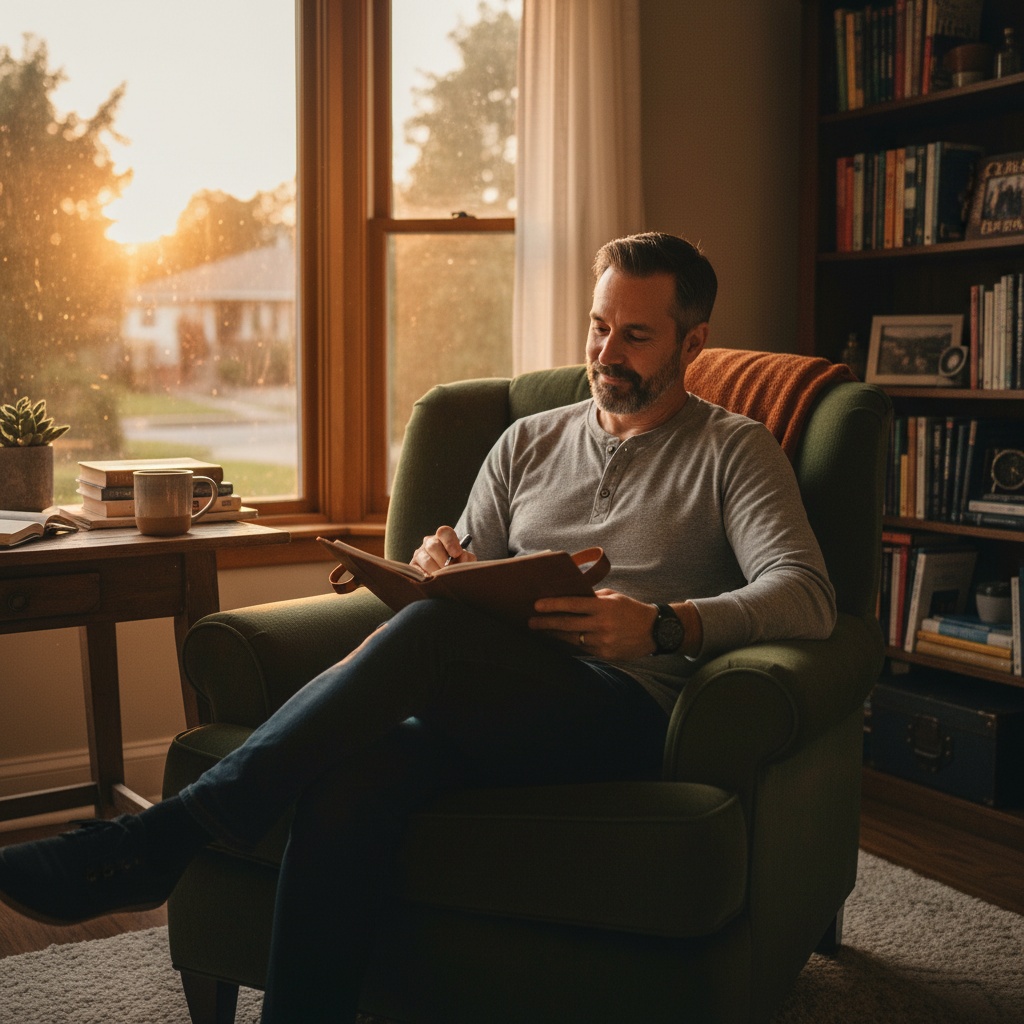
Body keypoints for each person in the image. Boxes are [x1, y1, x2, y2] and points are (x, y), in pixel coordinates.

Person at [0, 232, 836, 1022]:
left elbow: (806, 593)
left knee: (434, 636)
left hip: (623, 711)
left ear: (694, 344)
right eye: (598, 326)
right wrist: (442, 560)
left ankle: (162, 839)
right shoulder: (527, 442)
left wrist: (664, 627)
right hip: (488, 703)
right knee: (351, 776)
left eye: (637, 336)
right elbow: (468, 576)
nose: (606, 352)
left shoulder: (734, 451)